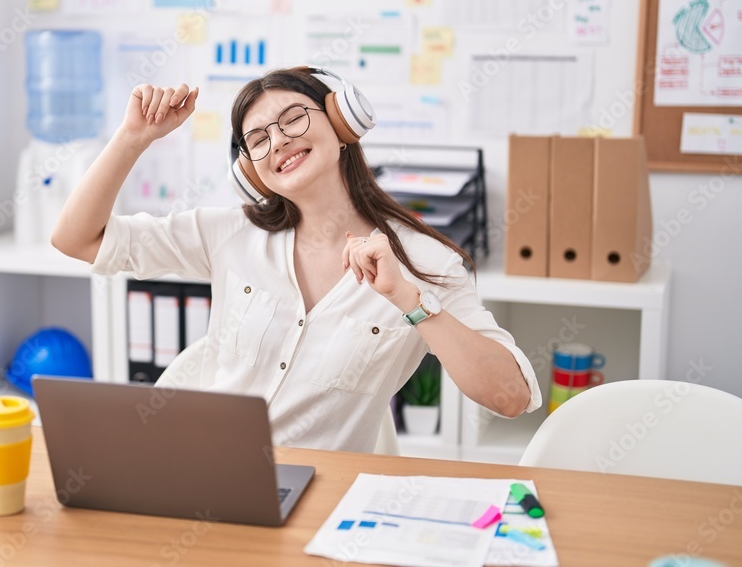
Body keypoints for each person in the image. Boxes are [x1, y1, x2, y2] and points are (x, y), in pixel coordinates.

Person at [52, 67, 541, 454]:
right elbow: (77, 239)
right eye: (259, 137)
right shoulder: (231, 233)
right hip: (197, 463)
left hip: (319, 502)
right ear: (252, 170)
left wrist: (410, 299)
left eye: (293, 119)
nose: (280, 140)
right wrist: (133, 138)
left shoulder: (421, 262)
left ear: (341, 122)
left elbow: (510, 396)